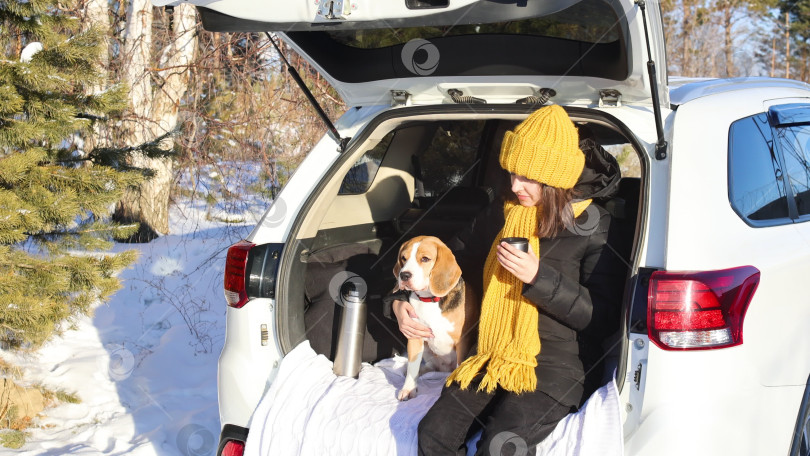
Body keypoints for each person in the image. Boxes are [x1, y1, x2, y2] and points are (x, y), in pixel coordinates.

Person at [391, 105, 626, 456]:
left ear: (555, 180)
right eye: (512, 173)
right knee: (434, 434)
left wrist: (537, 278)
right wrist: (398, 303)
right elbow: (443, 263)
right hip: (491, 353)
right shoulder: (500, 215)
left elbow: (603, 318)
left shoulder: (595, 226)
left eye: (527, 177)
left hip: (556, 367)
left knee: (501, 445)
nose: (515, 185)